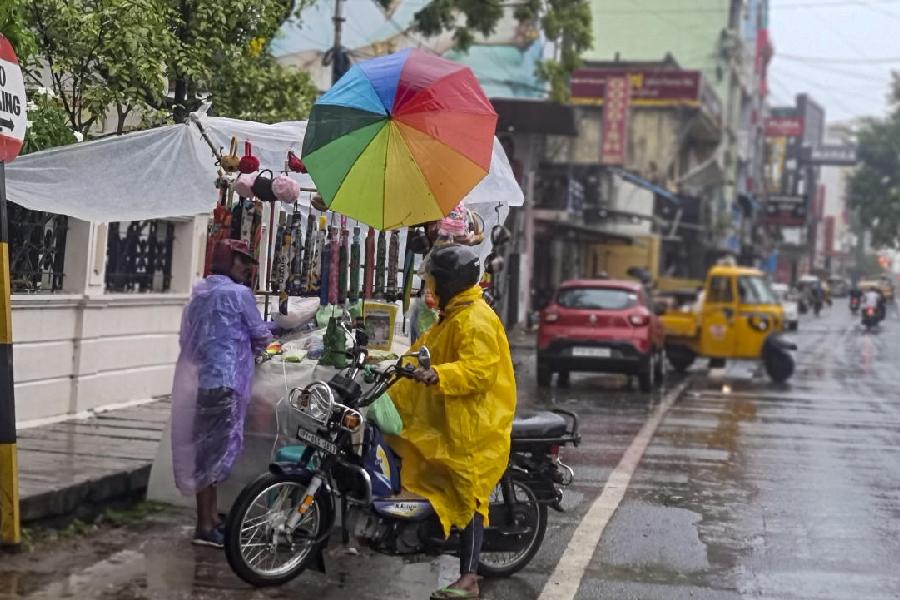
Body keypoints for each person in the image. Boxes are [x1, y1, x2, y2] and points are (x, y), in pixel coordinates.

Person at [386, 245, 517, 600]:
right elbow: (424, 348)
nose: (430, 288)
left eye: (434, 281)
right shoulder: (453, 314)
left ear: (449, 282)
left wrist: (438, 375)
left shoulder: (475, 320)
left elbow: (477, 371)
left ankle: (470, 579)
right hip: (452, 413)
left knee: (468, 491)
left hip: (475, 422)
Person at [170, 239, 273, 547]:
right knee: (212, 458)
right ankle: (205, 525)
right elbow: (260, 335)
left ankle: (211, 518)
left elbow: (186, 337)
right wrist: (273, 329)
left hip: (200, 383)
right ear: (227, 261)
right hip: (226, 384)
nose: (245, 267)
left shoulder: (199, 293)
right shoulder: (239, 294)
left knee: (205, 453)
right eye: (241, 260)